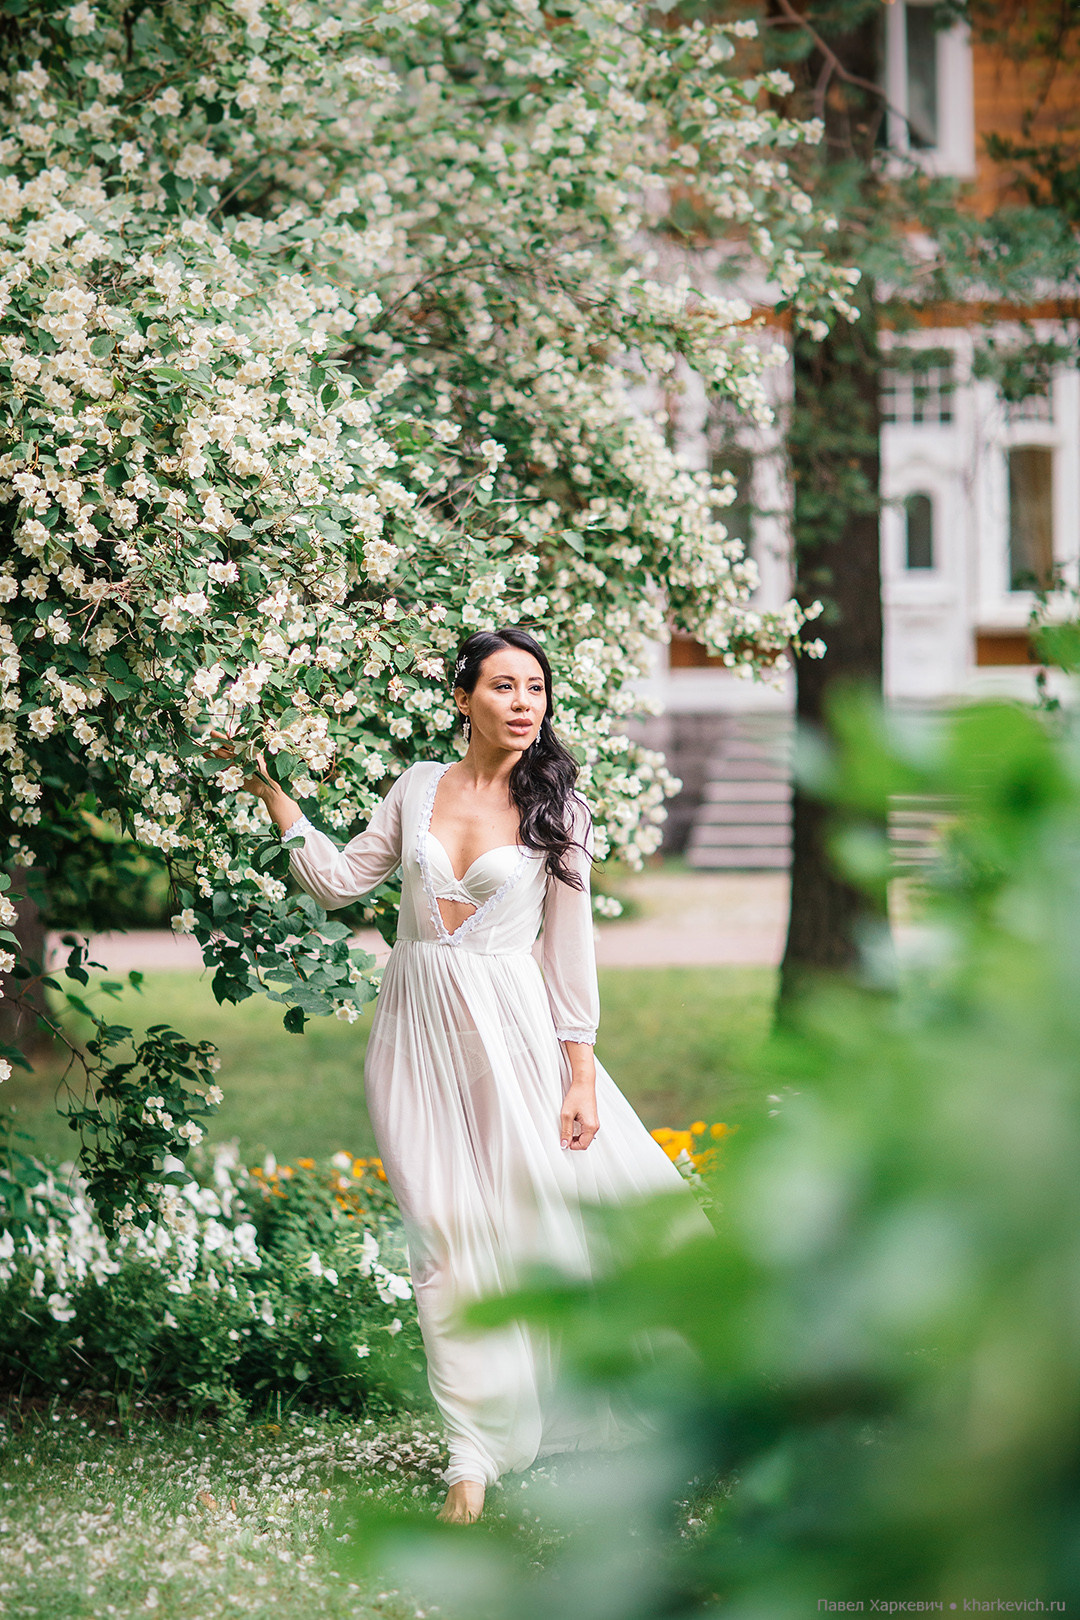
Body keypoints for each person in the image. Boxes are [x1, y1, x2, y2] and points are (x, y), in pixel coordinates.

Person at [224, 626, 712, 1523]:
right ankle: (473, 1453)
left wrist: (579, 1073)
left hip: (514, 1034)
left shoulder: (559, 809)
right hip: (410, 1030)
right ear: (463, 699)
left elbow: (570, 955)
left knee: (543, 1218)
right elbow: (338, 883)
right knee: (442, 1239)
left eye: (536, 688)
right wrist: (274, 796)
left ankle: (668, 1398)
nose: (525, 703)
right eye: (504, 686)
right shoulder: (416, 787)